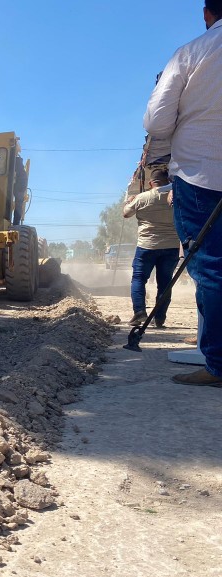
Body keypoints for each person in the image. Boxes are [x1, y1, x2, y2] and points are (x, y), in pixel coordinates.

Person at [144, 0, 222, 387]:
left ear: (208, 14)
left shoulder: (192, 53)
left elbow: (157, 121)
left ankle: (219, 364)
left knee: (211, 269)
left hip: (202, 175)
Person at [122, 168, 180, 327]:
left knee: (139, 279)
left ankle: (140, 312)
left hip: (147, 246)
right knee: (165, 282)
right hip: (171, 246)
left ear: (150, 183)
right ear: (168, 180)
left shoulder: (142, 197)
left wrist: (129, 202)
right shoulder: (177, 196)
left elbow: (126, 214)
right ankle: (160, 319)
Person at [12, 154, 28, 225]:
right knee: (18, 206)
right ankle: (16, 223)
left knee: (17, 205)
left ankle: (15, 223)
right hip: (19, 189)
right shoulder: (23, 173)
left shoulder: (15, 169)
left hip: (18, 189)